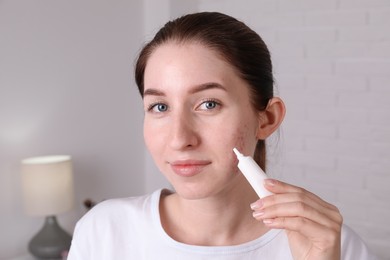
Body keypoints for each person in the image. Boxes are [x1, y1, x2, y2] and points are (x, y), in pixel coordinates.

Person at [67, 12, 378, 259]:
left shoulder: (331, 245)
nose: (179, 139)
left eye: (209, 104)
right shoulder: (103, 232)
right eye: (159, 106)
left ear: (266, 119)